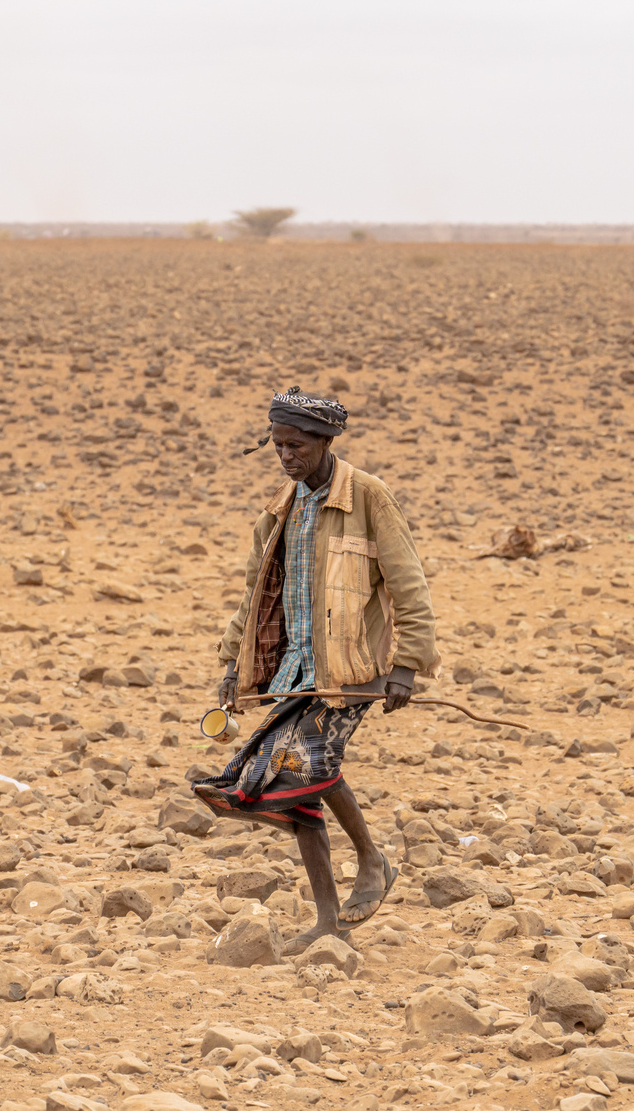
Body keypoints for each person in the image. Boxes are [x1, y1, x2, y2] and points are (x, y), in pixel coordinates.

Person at [193, 387, 440, 953]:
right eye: (278, 445)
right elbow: (254, 594)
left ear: (325, 442)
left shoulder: (369, 497)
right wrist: (232, 664)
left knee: (302, 765)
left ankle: (371, 860)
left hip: (353, 668)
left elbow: (409, 586)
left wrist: (406, 667)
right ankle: (329, 920)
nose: (286, 456)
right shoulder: (279, 510)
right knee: (296, 788)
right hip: (296, 668)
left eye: (296, 446)